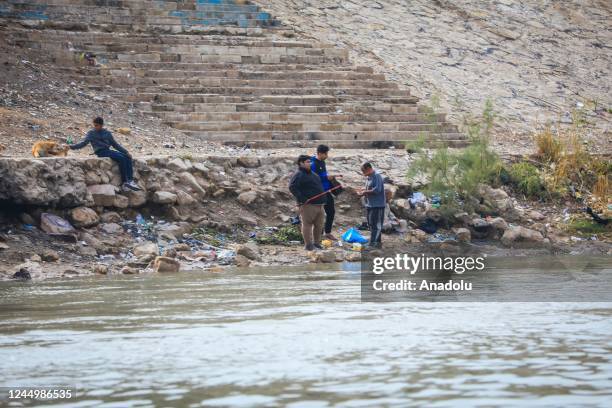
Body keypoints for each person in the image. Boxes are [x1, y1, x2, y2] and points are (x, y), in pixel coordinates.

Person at [69, 117, 141, 191]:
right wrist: (71, 147)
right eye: (94, 125)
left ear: (101, 125)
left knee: (127, 157)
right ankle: (125, 181)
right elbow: (83, 143)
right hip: (100, 152)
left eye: (97, 125)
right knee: (121, 158)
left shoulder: (107, 133)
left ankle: (130, 180)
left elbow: (115, 145)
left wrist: (126, 152)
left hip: (108, 150)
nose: (95, 127)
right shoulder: (91, 133)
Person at [289, 155, 326, 251]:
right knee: (307, 225)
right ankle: (308, 245)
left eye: (310, 161)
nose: (311, 163)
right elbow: (292, 187)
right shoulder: (298, 174)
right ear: (301, 163)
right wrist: (303, 199)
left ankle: (316, 243)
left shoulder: (314, 174)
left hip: (320, 205)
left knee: (319, 225)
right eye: (308, 162)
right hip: (308, 205)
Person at [311, 144, 338, 240]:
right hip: (318, 193)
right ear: (319, 153)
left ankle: (327, 232)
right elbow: (313, 178)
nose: (327, 155)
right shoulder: (313, 163)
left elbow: (323, 175)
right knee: (319, 214)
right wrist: (326, 177)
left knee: (331, 211)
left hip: (326, 191)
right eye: (325, 153)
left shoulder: (322, 162)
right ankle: (319, 233)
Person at [357, 162, 386, 249]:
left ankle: (373, 243)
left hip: (378, 205)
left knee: (376, 225)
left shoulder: (377, 176)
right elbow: (369, 189)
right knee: (371, 224)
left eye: (363, 171)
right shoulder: (368, 177)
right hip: (370, 204)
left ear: (369, 168)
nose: (363, 173)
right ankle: (377, 243)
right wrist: (362, 191)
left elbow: (377, 190)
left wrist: (365, 192)